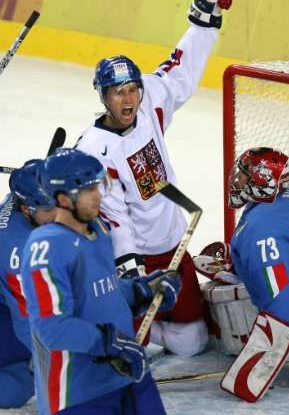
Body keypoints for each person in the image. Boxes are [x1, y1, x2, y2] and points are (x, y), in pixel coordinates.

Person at [75, 0, 234, 356]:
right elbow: (112, 217)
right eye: (119, 93)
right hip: (140, 257)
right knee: (129, 341)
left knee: (194, 343)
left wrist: (204, 16)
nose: (129, 99)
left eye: (132, 89)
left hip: (174, 244)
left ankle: (154, 328)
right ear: (104, 96)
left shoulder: (149, 104)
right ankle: (123, 321)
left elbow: (180, 69)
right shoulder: (96, 149)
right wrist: (131, 270)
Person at [21, 148, 181, 415]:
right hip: (79, 393)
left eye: (98, 186)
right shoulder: (46, 248)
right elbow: (51, 327)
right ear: (62, 198)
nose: (98, 195)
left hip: (127, 372)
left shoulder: (98, 230)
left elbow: (102, 290)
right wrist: (109, 343)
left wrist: (142, 291)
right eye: (87, 190)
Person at [216, 147, 289, 402]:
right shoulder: (285, 197)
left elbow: (284, 301)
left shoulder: (263, 230)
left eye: (243, 176)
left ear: (262, 181)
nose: (236, 181)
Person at [0, 159, 57, 409]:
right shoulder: (18, 250)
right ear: (25, 209)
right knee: (18, 388)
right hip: (9, 310)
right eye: (47, 208)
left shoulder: (21, 198)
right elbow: (27, 318)